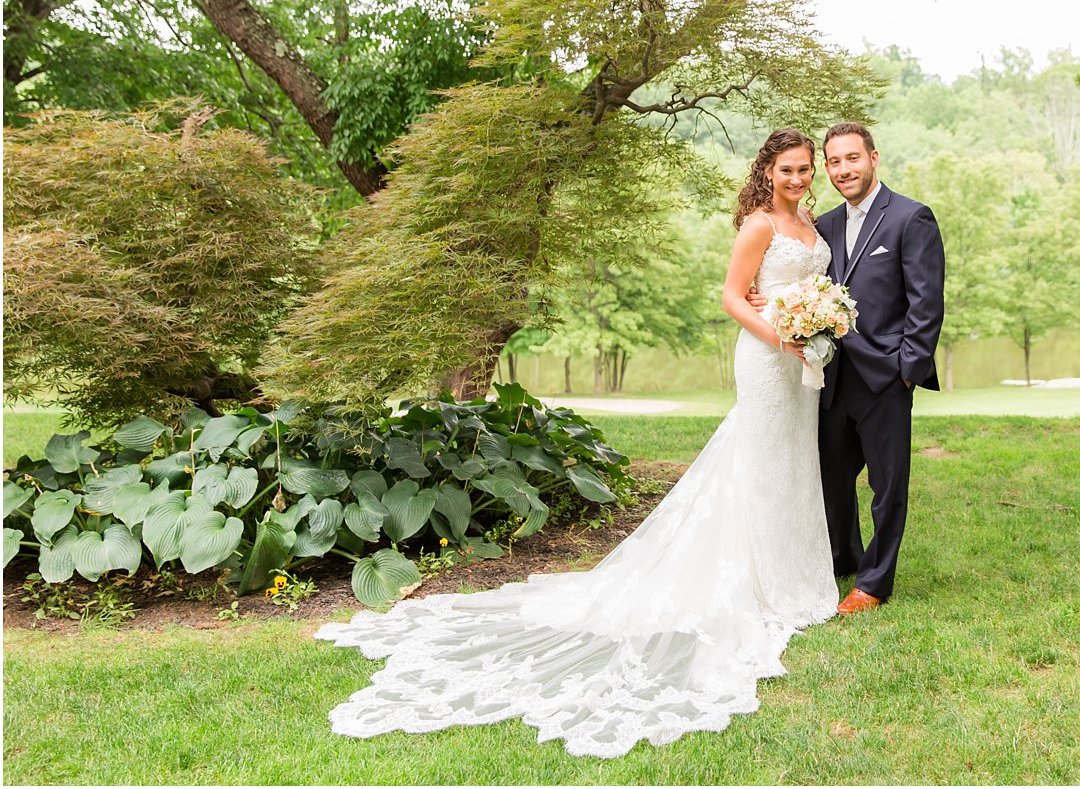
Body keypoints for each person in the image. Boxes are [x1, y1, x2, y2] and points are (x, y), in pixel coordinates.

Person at [315, 128, 838, 758]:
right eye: (788, 169)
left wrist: (818, 322)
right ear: (767, 170)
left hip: (803, 363)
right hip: (767, 356)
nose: (799, 178)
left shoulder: (810, 221)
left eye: (806, 169)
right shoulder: (758, 224)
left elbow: (803, 288)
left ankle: (791, 575)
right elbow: (731, 296)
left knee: (790, 464)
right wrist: (782, 334)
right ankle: (753, 583)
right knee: (757, 463)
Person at [747, 121, 945, 614]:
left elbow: (926, 303)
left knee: (886, 485)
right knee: (831, 479)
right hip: (828, 375)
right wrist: (763, 300)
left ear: (873, 159)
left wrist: (907, 370)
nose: (842, 170)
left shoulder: (910, 218)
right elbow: (799, 282)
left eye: (851, 159)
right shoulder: (825, 225)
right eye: (833, 162)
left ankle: (873, 584)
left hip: (886, 377)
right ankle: (843, 559)